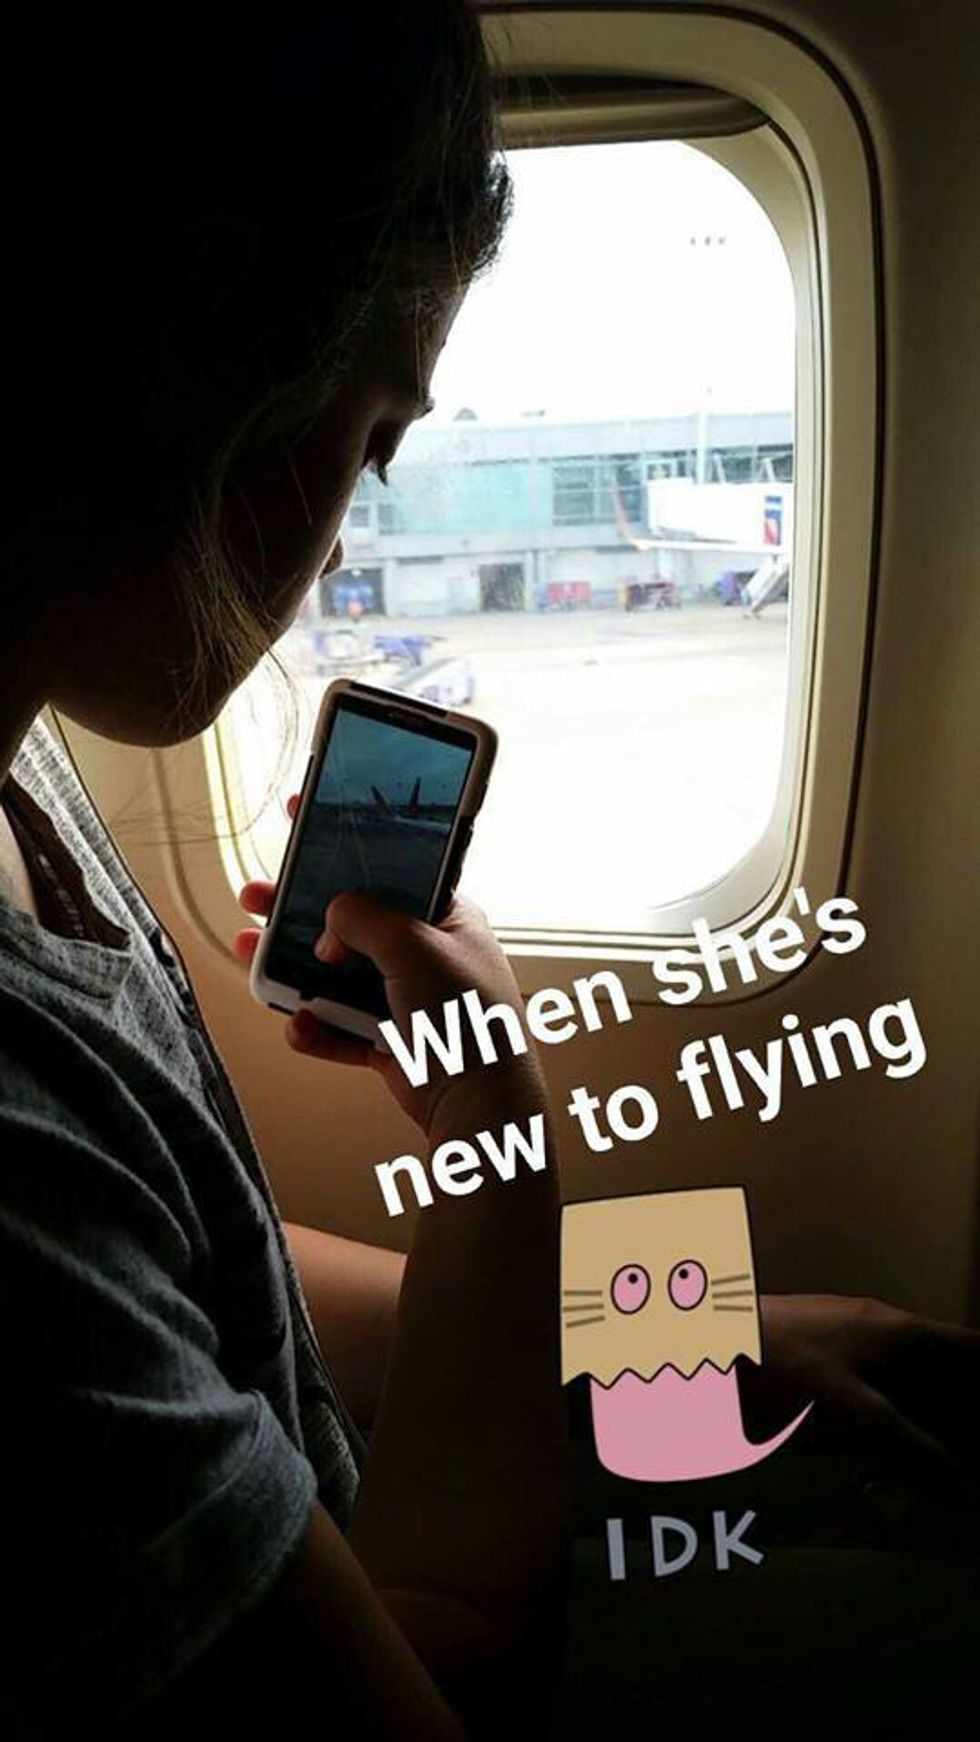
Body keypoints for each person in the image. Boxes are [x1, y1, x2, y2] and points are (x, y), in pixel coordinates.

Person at [0, 5, 975, 1738]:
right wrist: (503, 1146)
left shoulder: (27, 765)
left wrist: (680, 1324)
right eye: (376, 434)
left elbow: (208, 1285)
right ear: (203, 324)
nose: (348, 530)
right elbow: (448, 1669)